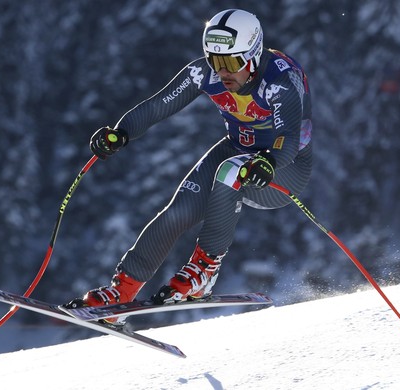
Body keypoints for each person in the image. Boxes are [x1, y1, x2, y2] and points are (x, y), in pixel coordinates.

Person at [65, 9, 312, 320]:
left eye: (232, 63)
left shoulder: (280, 80)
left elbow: (288, 138)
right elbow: (158, 106)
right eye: (214, 60)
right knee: (179, 210)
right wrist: (120, 132)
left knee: (230, 171)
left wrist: (269, 161)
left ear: (252, 54)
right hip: (238, 150)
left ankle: (204, 271)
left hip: (285, 168)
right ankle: (122, 291)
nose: (223, 72)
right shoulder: (206, 74)